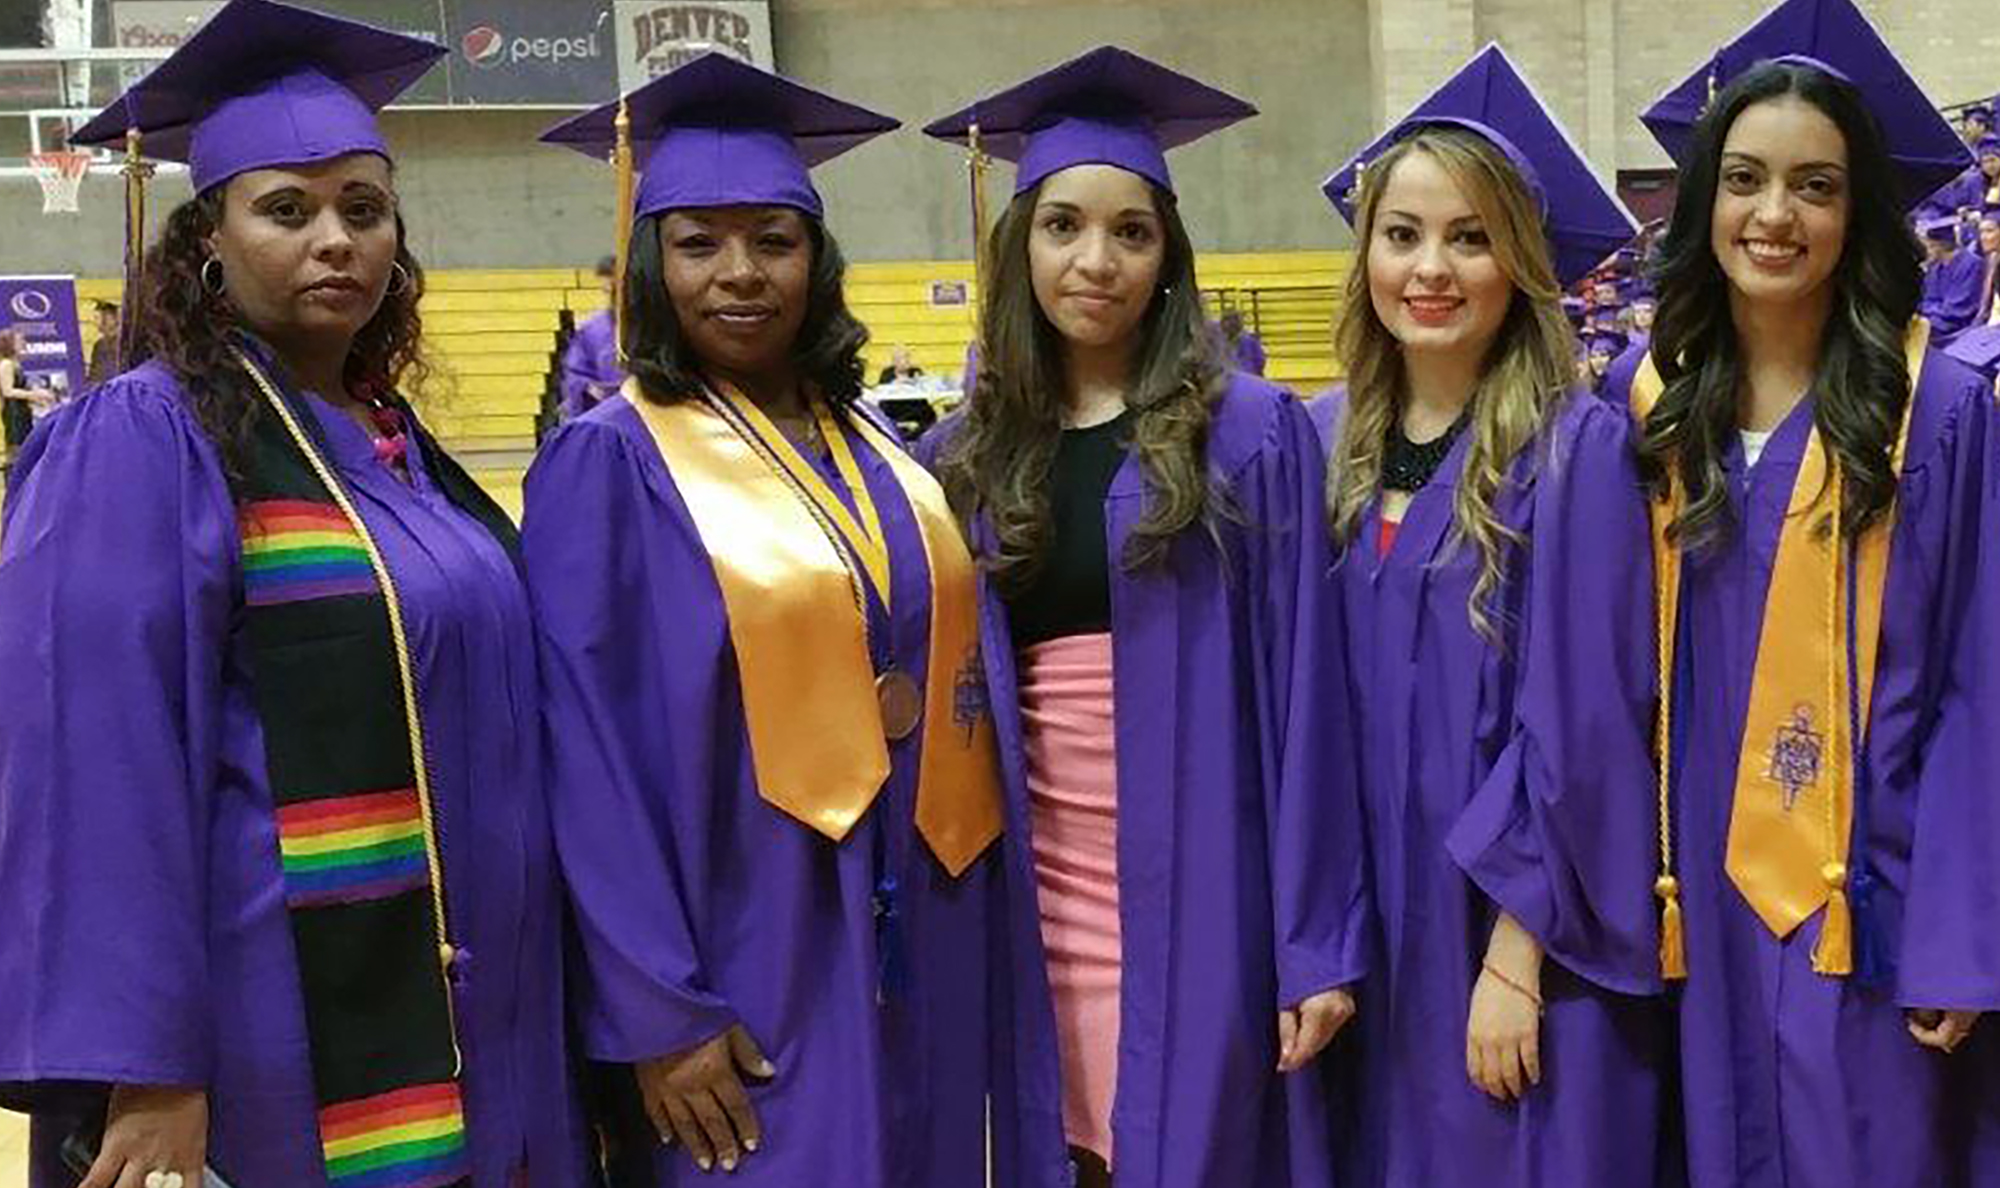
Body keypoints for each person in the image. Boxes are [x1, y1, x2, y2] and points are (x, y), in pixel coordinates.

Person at [0, 4, 597, 1187]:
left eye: (363, 211)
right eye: (288, 210)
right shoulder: (140, 439)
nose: (337, 241)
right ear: (207, 240)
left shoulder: (393, 444)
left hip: (485, 1004)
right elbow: (94, 764)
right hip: (277, 1019)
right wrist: (150, 1068)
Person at [529, 52, 1002, 1188]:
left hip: (909, 929)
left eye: (773, 242)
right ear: (650, 261)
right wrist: (656, 1006)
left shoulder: (881, 452)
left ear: (816, 259)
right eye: (697, 244)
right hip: (740, 942)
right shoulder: (609, 463)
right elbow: (579, 749)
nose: (738, 275)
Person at [923, 46, 1367, 1188]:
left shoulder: (1251, 435)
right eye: (1063, 225)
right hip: (1030, 878)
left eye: (1131, 231)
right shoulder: (960, 456)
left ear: (1169, 255)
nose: (1096, 260)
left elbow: (1305, 696)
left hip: (1204, 877)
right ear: (1018, 246)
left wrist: (1311, 940)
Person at [1611, 2, 2000, 1184]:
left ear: (1855, 212)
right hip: (1692, 906)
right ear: (1702, 204)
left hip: (1870, 901)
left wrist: (1957, 936)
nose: (1773, 215)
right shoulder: (1647, 413)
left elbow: (1981, 685)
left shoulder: (1932, 411)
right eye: (1742, 179)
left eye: (1814, 186)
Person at [1315, 44, 1664, 1188]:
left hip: (1508, 929)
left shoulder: (1574, 450)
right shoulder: (1322, 452)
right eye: (1401, 234)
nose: (1430, 268)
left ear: (1517, 262)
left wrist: (1515, 957)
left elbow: (1588, 721)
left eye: (1468, 237)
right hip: (1365, 928)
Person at [559, 254, 623, 420]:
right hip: (604, 412)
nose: (610, 292)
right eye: (606, 288)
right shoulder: (591, 330)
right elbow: (575, 373)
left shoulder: (653, 324)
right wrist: (589, 388)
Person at [1917, 217, 1984, 339]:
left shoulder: (1973, 264)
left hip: (1960, 326)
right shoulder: (1935, 268)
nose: (1924, 252)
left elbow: (1959, 309)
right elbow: (1927, 299)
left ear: (1938, 246)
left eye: (1927, 247)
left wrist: (1929, 311)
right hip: (1936, 320)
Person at [0, 330, 35, 460]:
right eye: (20, 341)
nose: (24, 344)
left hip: (23, 413)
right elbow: (7, 391)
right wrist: (33, 395)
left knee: (27, 451)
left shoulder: (16, 364)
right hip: (14, 416)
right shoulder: (6, 364)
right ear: (10, 344)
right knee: (17, 454)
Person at [1215, 308, 1267, 375]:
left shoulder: (1250, 341)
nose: (1231, 322)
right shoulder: (1217, 342)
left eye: (1235, 319)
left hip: (1245, 378)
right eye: (1227, 319)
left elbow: (1259, 363)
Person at [86, 301, 120, 385]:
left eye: (97, 317)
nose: (95, 322)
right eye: (95, 318)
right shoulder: (99, 345)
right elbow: (94, 374)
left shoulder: (123, 343)